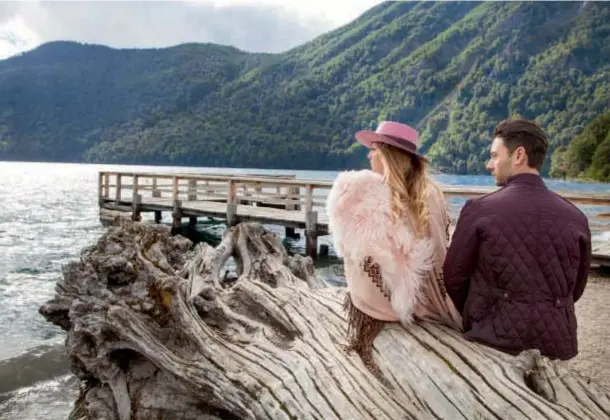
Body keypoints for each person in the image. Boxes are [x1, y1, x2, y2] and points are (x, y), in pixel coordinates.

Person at [443, 117, 591, 361]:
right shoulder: (576, 217)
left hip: (492, 341)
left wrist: (480, 314)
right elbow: (575, 288)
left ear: (519, 155)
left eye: (494, 155)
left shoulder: (479, 209)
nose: (490, 164)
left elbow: (454, 277)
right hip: (557, 346)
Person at [326, 120, 462, 376]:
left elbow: (357, 254)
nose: (369, 154)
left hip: (381, 309)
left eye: (374, 149)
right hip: (425, 301)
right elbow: (440, 256)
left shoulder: (378, 194)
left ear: (388, 155)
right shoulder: (430, 193)